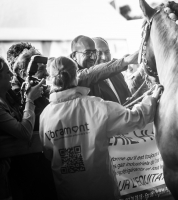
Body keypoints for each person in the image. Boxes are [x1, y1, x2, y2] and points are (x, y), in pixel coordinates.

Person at [39, 56, 163, 200]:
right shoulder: (97, 106)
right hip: (101, 189)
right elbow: (136, 118)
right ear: (76, 76)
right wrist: (152, 98)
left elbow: (48, 153)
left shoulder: (45, 115)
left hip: (67, 191)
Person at [0, 54, 43, 200]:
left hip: (20, 166)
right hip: (7, 173)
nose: (12, 75)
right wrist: (30, 100)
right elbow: (24, 132)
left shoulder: (6, 95)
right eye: (7, 72)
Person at [70, 35, 137, 104]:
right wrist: (125, 61)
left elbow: (129, 100)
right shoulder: (78, 78)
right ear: (74, 56)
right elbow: (89, 74)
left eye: (107, 52)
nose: (104, 57)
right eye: (99, 53)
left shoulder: (117, 75)